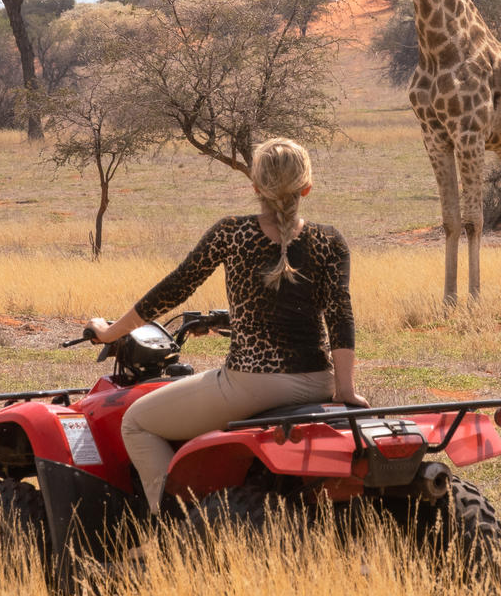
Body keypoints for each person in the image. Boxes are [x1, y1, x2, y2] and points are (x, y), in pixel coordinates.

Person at [86, 137, 362, 514]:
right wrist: (344, 390)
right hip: (318, 381)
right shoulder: (331, 241)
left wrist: (107, 331)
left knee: (135, 422)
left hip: (251, 384)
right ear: (307, 188)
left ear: (255, 187)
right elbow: (340, 317)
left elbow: (173, 290)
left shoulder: (232, 233)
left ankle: (172, 527)